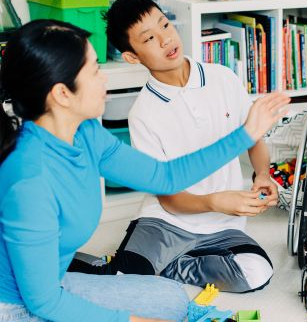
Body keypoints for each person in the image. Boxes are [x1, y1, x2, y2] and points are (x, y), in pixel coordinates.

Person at [0, 19, 289, 322]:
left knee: (171, 298)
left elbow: (165, 177)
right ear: (62, 94)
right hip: (16, 308)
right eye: (95, 71)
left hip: (51, 286)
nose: (104, 82)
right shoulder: (28, 181)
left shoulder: (85, 133)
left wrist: (245, 135)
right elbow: (45, 304)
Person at [71, 0, 276, 293]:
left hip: (223, 225)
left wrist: (263, 175)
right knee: (123, 284)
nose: (166, 38)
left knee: (256, 273)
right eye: (150, 38)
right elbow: (168, 197)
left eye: (165, 25)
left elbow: (253, 136)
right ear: (132, 56)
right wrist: (213, 201)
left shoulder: (222, 78)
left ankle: (170, 267)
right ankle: (96, 263)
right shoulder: (143, 114)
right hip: (166, 221)